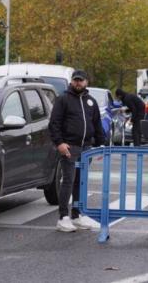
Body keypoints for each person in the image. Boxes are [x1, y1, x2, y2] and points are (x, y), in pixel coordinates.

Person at [49, 69, 105, 232]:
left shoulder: (91, 101)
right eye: (75, 80)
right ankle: (63, 217)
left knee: (80, 182)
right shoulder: (63, 99)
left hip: (86, 148)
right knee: (68, 180)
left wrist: (101, 144)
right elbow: (54, 123)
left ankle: (76, 214)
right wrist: (59, 143)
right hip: (69, 147)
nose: (78, 83)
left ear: (86, 82)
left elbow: (97, 124)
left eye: (81, 80)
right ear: (71, 82)